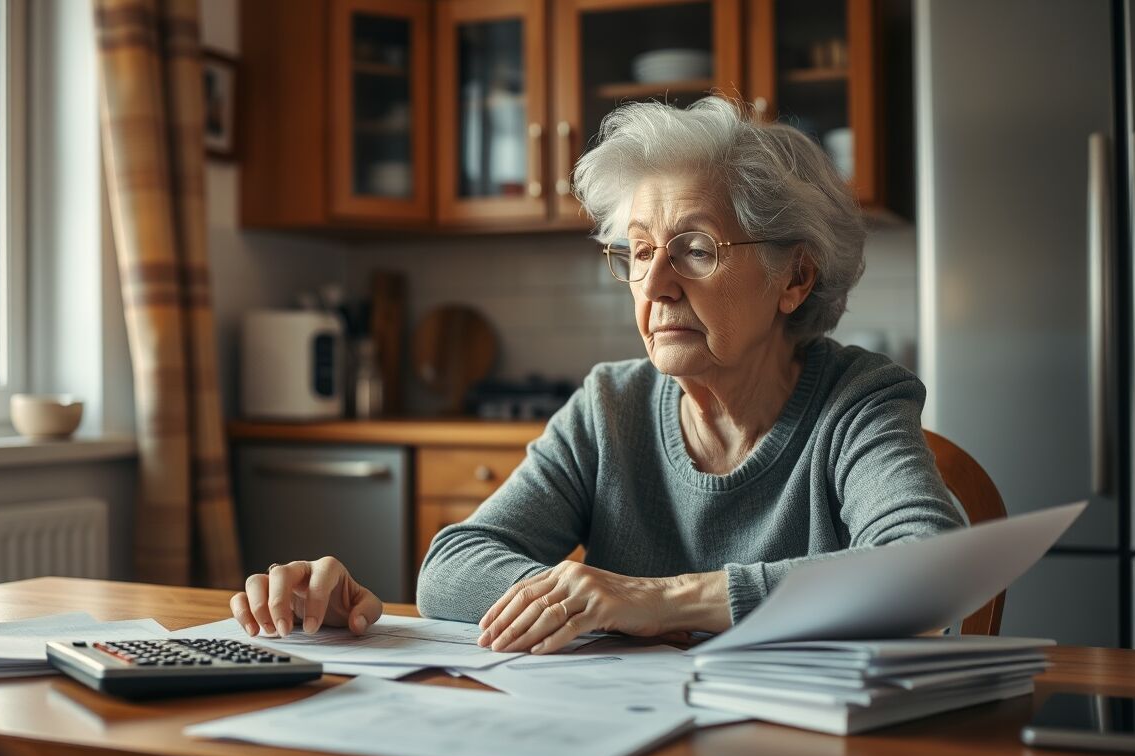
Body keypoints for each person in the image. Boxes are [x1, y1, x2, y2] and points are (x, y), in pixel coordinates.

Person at [229, 96, 963, 652]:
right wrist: (589, 604)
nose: (656, 286)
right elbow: (451, 568)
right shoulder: (611, 403)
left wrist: (660, 600)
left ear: (794, 277)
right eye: (640, 253)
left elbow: (927, 567)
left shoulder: (856, 401)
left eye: (696, 249)